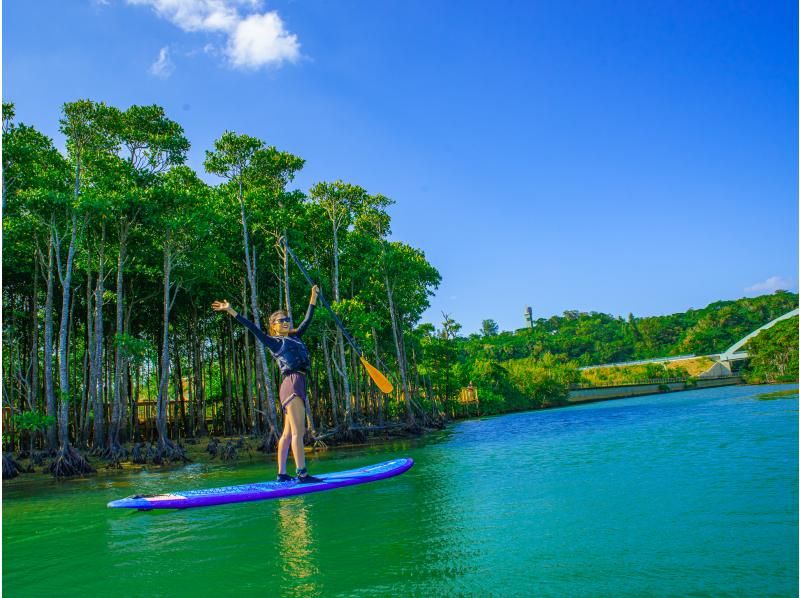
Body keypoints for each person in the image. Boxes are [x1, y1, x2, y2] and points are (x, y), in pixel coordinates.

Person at [212, 286, 322, 483]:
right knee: (299, 431)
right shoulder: (275, 342)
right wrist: (230, 310)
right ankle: (302, 473)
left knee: (288, 433)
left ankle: (281, 474)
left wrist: (313, 297)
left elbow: (307, 319)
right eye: (281, 321)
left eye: (288, 319)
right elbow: (252, 328)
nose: (286, 322)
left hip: (296, 383)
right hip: (292, 383)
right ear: (273, 326)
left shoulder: (296, 337)